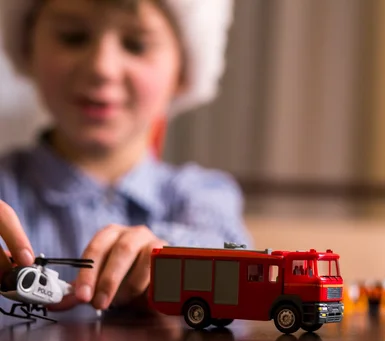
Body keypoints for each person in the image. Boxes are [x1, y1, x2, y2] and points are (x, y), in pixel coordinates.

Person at [0, 0, 251, 320]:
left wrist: (168, 257)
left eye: (137, 45)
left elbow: (234, 259)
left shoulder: (203, 193)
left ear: (184, 71)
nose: (101, 67)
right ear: (27, 49)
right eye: (72, 37)